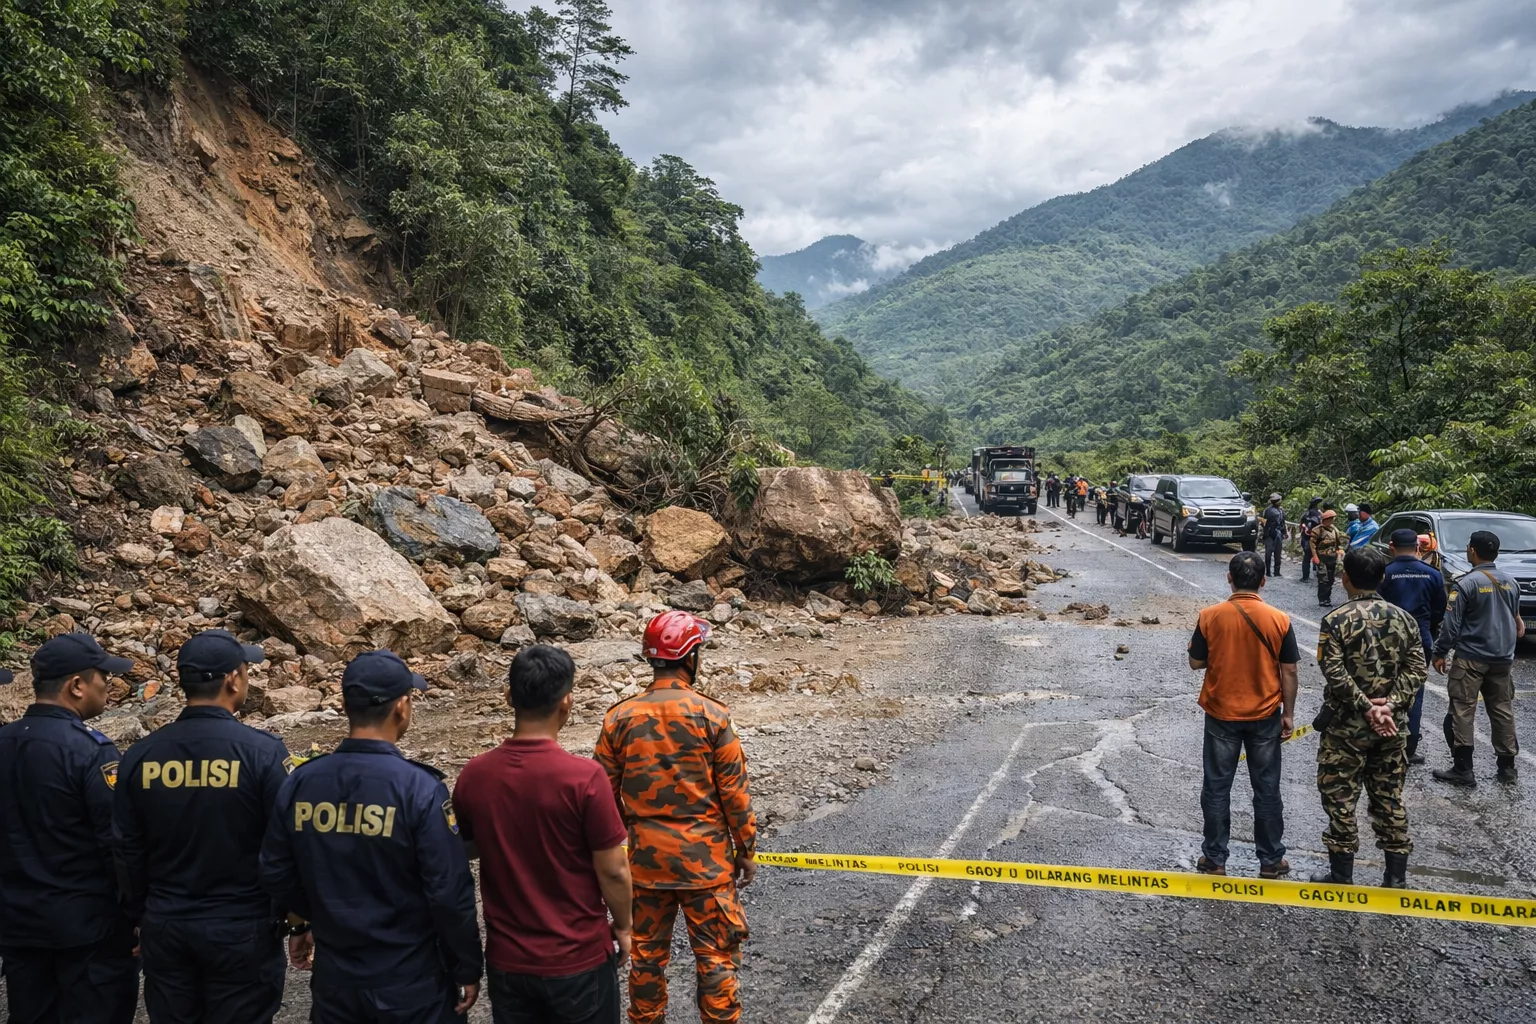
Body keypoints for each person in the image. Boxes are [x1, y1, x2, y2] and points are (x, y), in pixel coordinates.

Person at [259, 650, 482, 1023]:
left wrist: (321, 914)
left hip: (336, 977)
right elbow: (448, 891)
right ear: (402, 707)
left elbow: (275, 870)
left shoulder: (302, 782)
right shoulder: (419, 788)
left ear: (346, 706)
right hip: (410, 979)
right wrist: (467, 964)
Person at [114, 630, 292, 1024]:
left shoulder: (140, 756)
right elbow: (284, 846)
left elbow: (127, 848)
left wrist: (138, 914)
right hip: (241, 927)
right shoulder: (263, 753)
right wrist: (292, 916)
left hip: (167, 923)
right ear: (232, 679)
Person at [453, 646, 633, 1024]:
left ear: (509, 697)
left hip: (508, 963)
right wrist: (624, 925)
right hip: (578, 960)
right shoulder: (585, 778)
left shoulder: (474, 774)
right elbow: (614, 870)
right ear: (567, 702)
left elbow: (465, 848)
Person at [595, 612, 756, 1024]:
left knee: (646, 958)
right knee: (716, 957)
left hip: (645, 864)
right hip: (707, 865)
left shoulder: (618, 718)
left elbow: (601, 794)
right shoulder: (713, 716)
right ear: (690, 657)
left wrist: (629, 835)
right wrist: (746, 849)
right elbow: (735, 793)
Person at [0, 634, 140, 1024]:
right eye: (103, 677)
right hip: (88, 930)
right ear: (77, 685)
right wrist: (137, 912)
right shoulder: (90, 751)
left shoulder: (4, 742)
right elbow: (117, 842)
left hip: (18, 924)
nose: (108, 685)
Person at [1310, 547, 1427, 887]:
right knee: (1389, 795)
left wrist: (1365, 706)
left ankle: (1341, 874)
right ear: (1382, 578)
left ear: (1344, 578)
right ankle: (1395, 878)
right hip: (1392, 727)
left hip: (1345, 728)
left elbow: (1333, 671)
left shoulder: (1335, 620)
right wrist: (1389, 706)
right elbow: (1417, 670)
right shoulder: (1404, 619)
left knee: (1340, 797)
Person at [1187, 552, 1299, 879]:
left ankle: (1214, 859)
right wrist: (1288, 714)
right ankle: (1271, 860)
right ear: (1263, 581)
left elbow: (1195, 662)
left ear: (1229, 578)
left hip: (1221, 714)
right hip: (1265, 715)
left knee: (1217, 787)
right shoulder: (1279, 620)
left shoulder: (1209, 616)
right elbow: (1289, 671)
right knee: (1266, 788)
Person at [1431, 530, 1525, 786]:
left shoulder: (1466, 584)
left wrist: (1439, 652)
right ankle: (1507, 768)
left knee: (1462, 710)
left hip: (1471, 658)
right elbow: (1518, 623)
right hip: (1502, 659)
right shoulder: (1511, 582)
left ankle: (1463, 769)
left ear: (1472, 550)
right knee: (1502, 710)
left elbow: (1450, 626)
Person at [1377, 530, 1445, 767]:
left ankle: (1383, 739)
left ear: (1391, 546)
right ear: (1417, 547)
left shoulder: (1384, 573)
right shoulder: (1433, 574)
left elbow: (1376, 606)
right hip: (1420, 638)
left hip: (1388, 640)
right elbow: (1439, 610)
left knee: (1383, 686)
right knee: (1415, 690)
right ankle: (1409, 745)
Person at [1312, 508, 1345, 607]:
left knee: (1330, 579)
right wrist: (1315, 556)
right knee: (1323, 578)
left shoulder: (1334, 530)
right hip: (1322, 557)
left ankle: (1327, 598)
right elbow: (1312, 545)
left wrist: (1339, 551)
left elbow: (1338, 542)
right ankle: (1322, 599)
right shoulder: (1318, 530)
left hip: (1332, 557)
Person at [1262, 494, 1286, 578]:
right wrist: (1265, 533)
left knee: (1278, 553)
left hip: (1278, 533)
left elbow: (1282, 522)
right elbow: (1264, 523)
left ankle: (1277, 571)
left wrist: (1284, 532)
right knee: (1268, 553)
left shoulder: (1281, 510)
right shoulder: (1268, 511)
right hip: (1269, 533)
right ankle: (1268, 571)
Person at [1299, 497, 1323, 583]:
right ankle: (1320, 577)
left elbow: (1301, 525)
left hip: (1306, 538)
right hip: (1316, 539)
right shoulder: (1319, 515)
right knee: (1319, 557)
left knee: (1307, 558)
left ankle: (1305, 577)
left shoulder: (1306, 514)